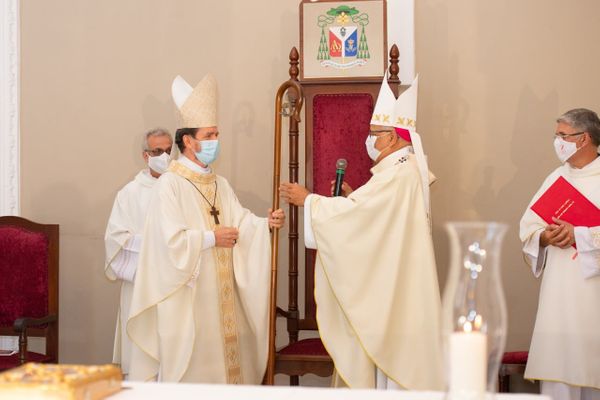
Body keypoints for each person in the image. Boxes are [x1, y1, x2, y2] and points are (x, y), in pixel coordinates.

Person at [279, 76, 443, 390]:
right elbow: (372, 219)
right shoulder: (402, 170)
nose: (368, 140)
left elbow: (363, 220)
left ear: (393, 138)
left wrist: (308, 201)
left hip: (395, 293)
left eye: (374, 134)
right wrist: (351, 198)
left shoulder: (399, 174)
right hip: (397, 283)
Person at [126, 74, 285, 384]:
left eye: (217, 134)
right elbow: (166, 244)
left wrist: (265, 224)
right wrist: (212, 238)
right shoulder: (170, 185)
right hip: (189, 303)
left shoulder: (219, 183)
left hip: (222, 301)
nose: (215, 141)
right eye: (210, 135)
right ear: (188, 140)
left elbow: (240, 223)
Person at [520, 108, 600, 400]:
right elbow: (529, 225)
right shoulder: (556, 177)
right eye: (557, 136)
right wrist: (544, 236)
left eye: (563, 135)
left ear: (584, 139)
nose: (558, 142)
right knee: (559, 371)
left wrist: (578, 234)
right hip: (558, 290)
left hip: (593, 292)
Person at [104, 128, 173, 378]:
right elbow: (116, 239)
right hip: (141, 284)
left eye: (168, 150)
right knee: (143, 358)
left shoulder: (183, 187)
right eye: (157, 151)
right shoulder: (129, 193)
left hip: (174, 284)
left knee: (172, 356)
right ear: (146, 156)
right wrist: (157, 245)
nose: (164, 156)